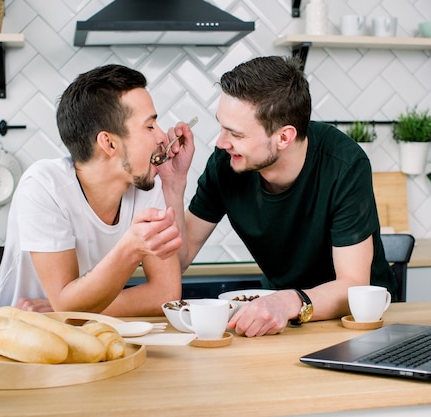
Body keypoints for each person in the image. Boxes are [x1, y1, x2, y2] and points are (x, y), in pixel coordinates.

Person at [159, 56, 396, 337]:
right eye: (222, 127)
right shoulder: (225, 163)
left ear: (284, 137)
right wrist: (174, 185)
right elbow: (180, 260)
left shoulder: (343, 164)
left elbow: (353, 285)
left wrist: (288, 302)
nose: (220, 143)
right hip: (278, 317)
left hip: (356, 322)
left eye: (235, 134)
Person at [0, 64, 194, 317]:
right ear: (108, 142)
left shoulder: (145, 185)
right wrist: (131, 247)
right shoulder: (43, 187)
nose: (161, 137)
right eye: (149, 127)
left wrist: (74, 309)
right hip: (9, 331)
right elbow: (66, 304)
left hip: (80, 331)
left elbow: (165, 294)